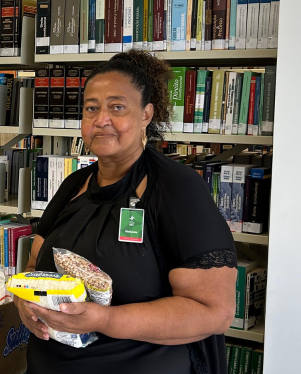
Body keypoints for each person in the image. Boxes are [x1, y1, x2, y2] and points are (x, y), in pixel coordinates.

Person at [15, 50, 237, 374]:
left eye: (117, 107)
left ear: (146, 114)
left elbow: (214, 311)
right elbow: (36, 265)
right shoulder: (74, 184)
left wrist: (106, 320)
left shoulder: (176, 188)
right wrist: (26, 301)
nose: (102, 119)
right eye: (92, 108)